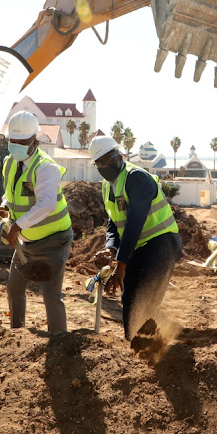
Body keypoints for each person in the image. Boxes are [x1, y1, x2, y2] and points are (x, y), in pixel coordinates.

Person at [89, 136, 183, 341]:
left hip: (161, 244)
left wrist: (121, 265)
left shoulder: (137, 178)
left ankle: (152, 347)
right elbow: (114, 222)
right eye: (100, 163)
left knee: (146, 301)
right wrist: (111, 249)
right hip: (138, 248)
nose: (105, 166)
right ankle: (136, 346)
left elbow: (134, 223)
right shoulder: (108, 186)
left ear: (119, 156)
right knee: (130, 299)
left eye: (108, 160)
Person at [0, 110, 74, 333]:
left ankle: (59, 341)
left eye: (21, 142)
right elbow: (11, 194)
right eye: (12, 141)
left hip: (53, 241)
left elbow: (47, 204)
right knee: (14, 288)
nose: (15, 145)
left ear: (34, 141)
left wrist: (17, 226)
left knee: (51, 294)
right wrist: (5, 206)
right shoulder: (9, 163)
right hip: (26, 241)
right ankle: (17, 335)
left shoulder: (45, 167)